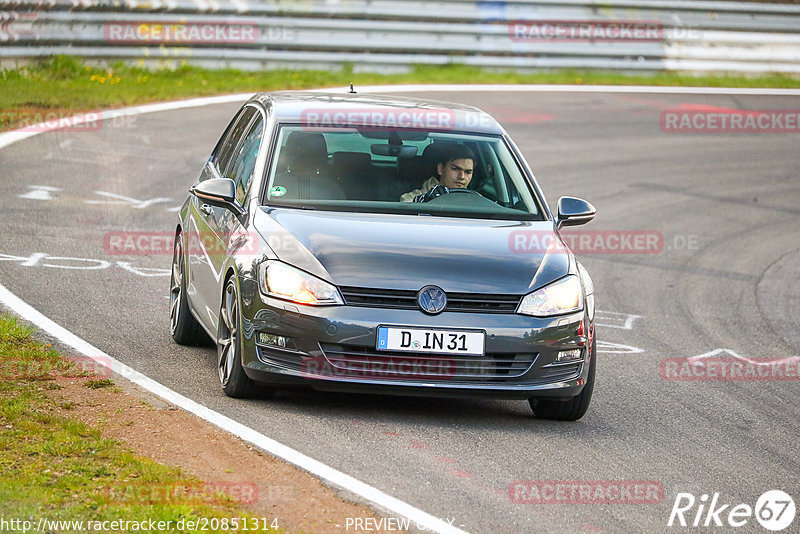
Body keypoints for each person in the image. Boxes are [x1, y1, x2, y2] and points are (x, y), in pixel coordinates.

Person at [400, 144, 475, 202]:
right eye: (455, 169)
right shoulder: (414, 198)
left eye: (468, 172)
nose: (462, 176)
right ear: (441, 169)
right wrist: (427, 201)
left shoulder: (476, 201)